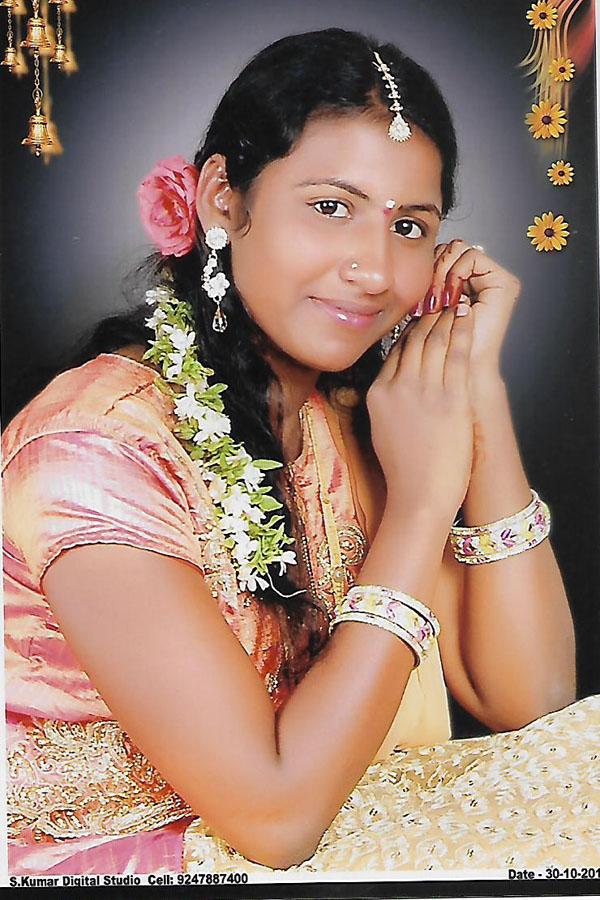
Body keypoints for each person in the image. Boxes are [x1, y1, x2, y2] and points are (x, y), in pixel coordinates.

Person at [3, 28, 598, 877]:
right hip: (115, 865)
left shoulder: (338, 417)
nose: (375, 269)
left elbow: (535, 703)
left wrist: (475, 392)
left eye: (409, 226)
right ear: (222, 197)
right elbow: (276, 822)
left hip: (306, 841)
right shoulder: (95, 449)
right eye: (331, 207)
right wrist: (422, 504)